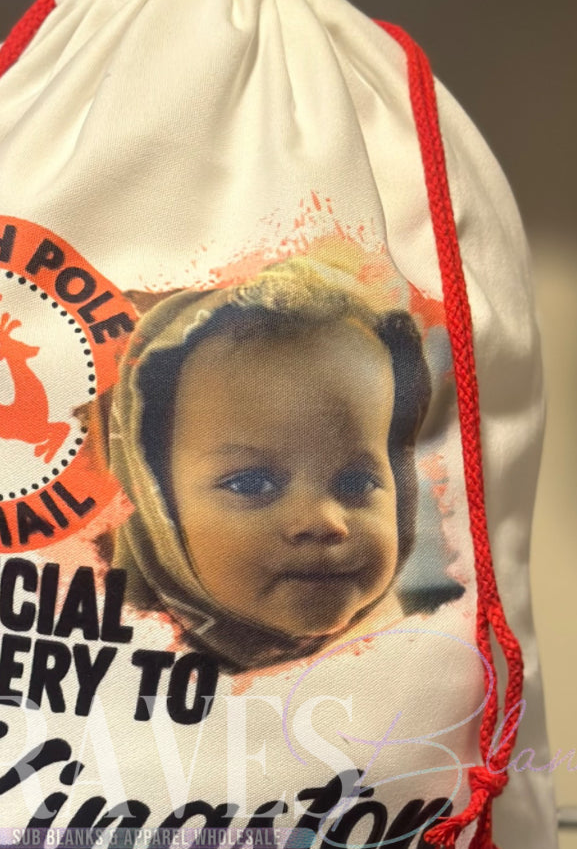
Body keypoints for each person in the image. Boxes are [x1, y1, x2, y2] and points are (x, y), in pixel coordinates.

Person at [96, 252, 432, 672]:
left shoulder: (409, 651)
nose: (324, 521)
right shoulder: (109, 667)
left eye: (355, 483)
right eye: (251, 484)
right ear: (154, 499)